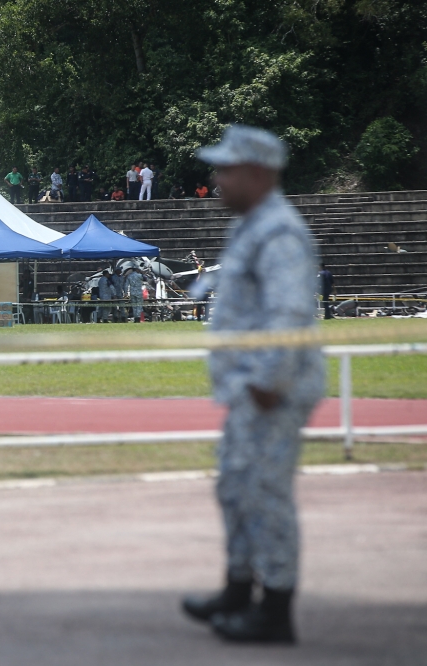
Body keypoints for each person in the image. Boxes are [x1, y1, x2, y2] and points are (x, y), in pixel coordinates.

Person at [181, 125, 324, 644]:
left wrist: (269, 379)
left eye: (227, 169)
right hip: (252, 388)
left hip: (273, 388)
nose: (217, 178)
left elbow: (289, 312)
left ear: (259, 174)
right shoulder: (252, 226)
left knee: (265, 494)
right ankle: (239, 587)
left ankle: (276, 609)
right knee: (235, 487)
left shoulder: (279, 232)